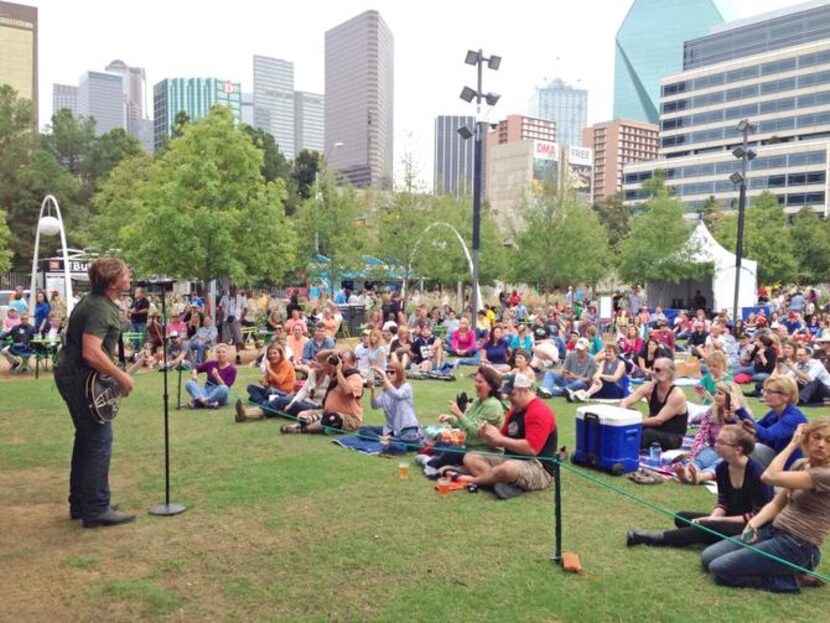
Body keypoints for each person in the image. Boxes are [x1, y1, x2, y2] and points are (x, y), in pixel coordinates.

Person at [702, 419, 830, 592]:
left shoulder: (826, 474)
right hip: (773, 531)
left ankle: (793, 579)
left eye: (828, 441)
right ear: (808, 437)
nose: (821, 444)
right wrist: (753, 523)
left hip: (799, 545)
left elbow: (769, 476)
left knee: (721, 569)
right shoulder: (800, 464)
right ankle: (784, 569)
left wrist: (792, 444)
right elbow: (777, 503)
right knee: (708, 557)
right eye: (816, 437)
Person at [54, 257, 135, 528]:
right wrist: (121, 376)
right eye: (125, 274)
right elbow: (91, 352)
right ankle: (97, 508)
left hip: (71, 374)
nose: (130, 276)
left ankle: (81, 502)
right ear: (113, 282)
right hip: (81, 377)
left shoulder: (96, 303)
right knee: (99, 437)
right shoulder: (99, 308)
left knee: (87, 438)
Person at [627, 425, 772, 547]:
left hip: (753, 526)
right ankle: (710, 535)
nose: (716, 445)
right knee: (681, 518)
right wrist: (712, 517)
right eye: (717, 441)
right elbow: (723, 503)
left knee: (707, 527)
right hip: (730, 518)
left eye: (721, 443)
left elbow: (756, 515)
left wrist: (715, 521)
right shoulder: (722, 468)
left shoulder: (757, 473)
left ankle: (652, 538)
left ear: (738, 449)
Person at [458, 372, 558, 500]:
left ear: (525, 390)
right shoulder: (515, 410)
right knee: (470, 457)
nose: (508, 398)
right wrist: (488, 434)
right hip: (511, 458)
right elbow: (500, 440)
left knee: (508, 468)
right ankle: (504, 483)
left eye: (512, 394)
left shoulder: (538, 411)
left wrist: (501, 440)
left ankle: (476, 480)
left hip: (539, 466)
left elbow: (532, 449)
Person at [281, 350, 364, 435]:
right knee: (302, 414)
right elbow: (319, 357)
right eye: (339, 360)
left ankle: (302, 429)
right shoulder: (333, 373)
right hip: (326, 411)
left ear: (353, 363)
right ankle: (323, 425)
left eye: (343, 362)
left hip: (348, 417)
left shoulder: (355, 377)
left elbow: (347, 391)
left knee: (333, 418)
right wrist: (332, 352)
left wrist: (339, 370)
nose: (340, 364)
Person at [735, 376, 808, 468]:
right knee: (735, 445)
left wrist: (740, 411)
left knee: (754, 449)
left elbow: (767, 435)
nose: (764, 394)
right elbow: (753, 429)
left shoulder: (794, 417)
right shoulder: (774, 413)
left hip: (791, 466)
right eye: (764, 390)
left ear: (786, 396)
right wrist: (730, 418)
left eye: (769, 392)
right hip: (777, 458)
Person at [675, 382, 741, 484]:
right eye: (715, 393)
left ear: (731, 397)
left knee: (719, 463)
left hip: (730, 451)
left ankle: (700, 477)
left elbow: (741, 438)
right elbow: (701, 434)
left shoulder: (739, 414)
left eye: (720, 393)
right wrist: (694, 454)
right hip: (713, 448)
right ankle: (687, 473)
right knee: (701, 460)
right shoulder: (711, 411)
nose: (715, 396)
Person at [621, 357, 688, 450]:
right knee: (632, 414)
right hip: (653, 428)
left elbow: (658, 420)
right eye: (652, 369)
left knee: (647, 434)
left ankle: (624, 449)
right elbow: (626, 401)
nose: (653, 372)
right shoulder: (649, 388)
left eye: (658, 370)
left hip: (672, 436)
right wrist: (623, 414)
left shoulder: (676, 395)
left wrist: (633, 421)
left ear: (669, 373)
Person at [363, 361, 422, 451]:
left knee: (413, 442)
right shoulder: (386, 392)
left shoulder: (406, 387)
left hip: (406, 428)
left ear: (399, 374)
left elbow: (397, 394)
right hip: (391, 429)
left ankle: (390, 440)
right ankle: (384, 439)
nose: (388, 374)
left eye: (392, 372)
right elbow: (374, 406)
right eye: (387, 372)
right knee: (365, 430)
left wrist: (383, 376)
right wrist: (372, 391)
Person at [186, 344, 237, 409]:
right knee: (189, 383)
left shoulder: (232, 369)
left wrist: (217, 376)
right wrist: (194, 374)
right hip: (206, 391)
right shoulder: (211, 363)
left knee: (224, 388)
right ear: (216, 354)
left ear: (228, 354)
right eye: (218, 352)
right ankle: (207, 403)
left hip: (220, 394)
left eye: (223, 352)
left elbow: (226, 387)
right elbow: (196, 368)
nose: (221, 354)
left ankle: (200, 402)